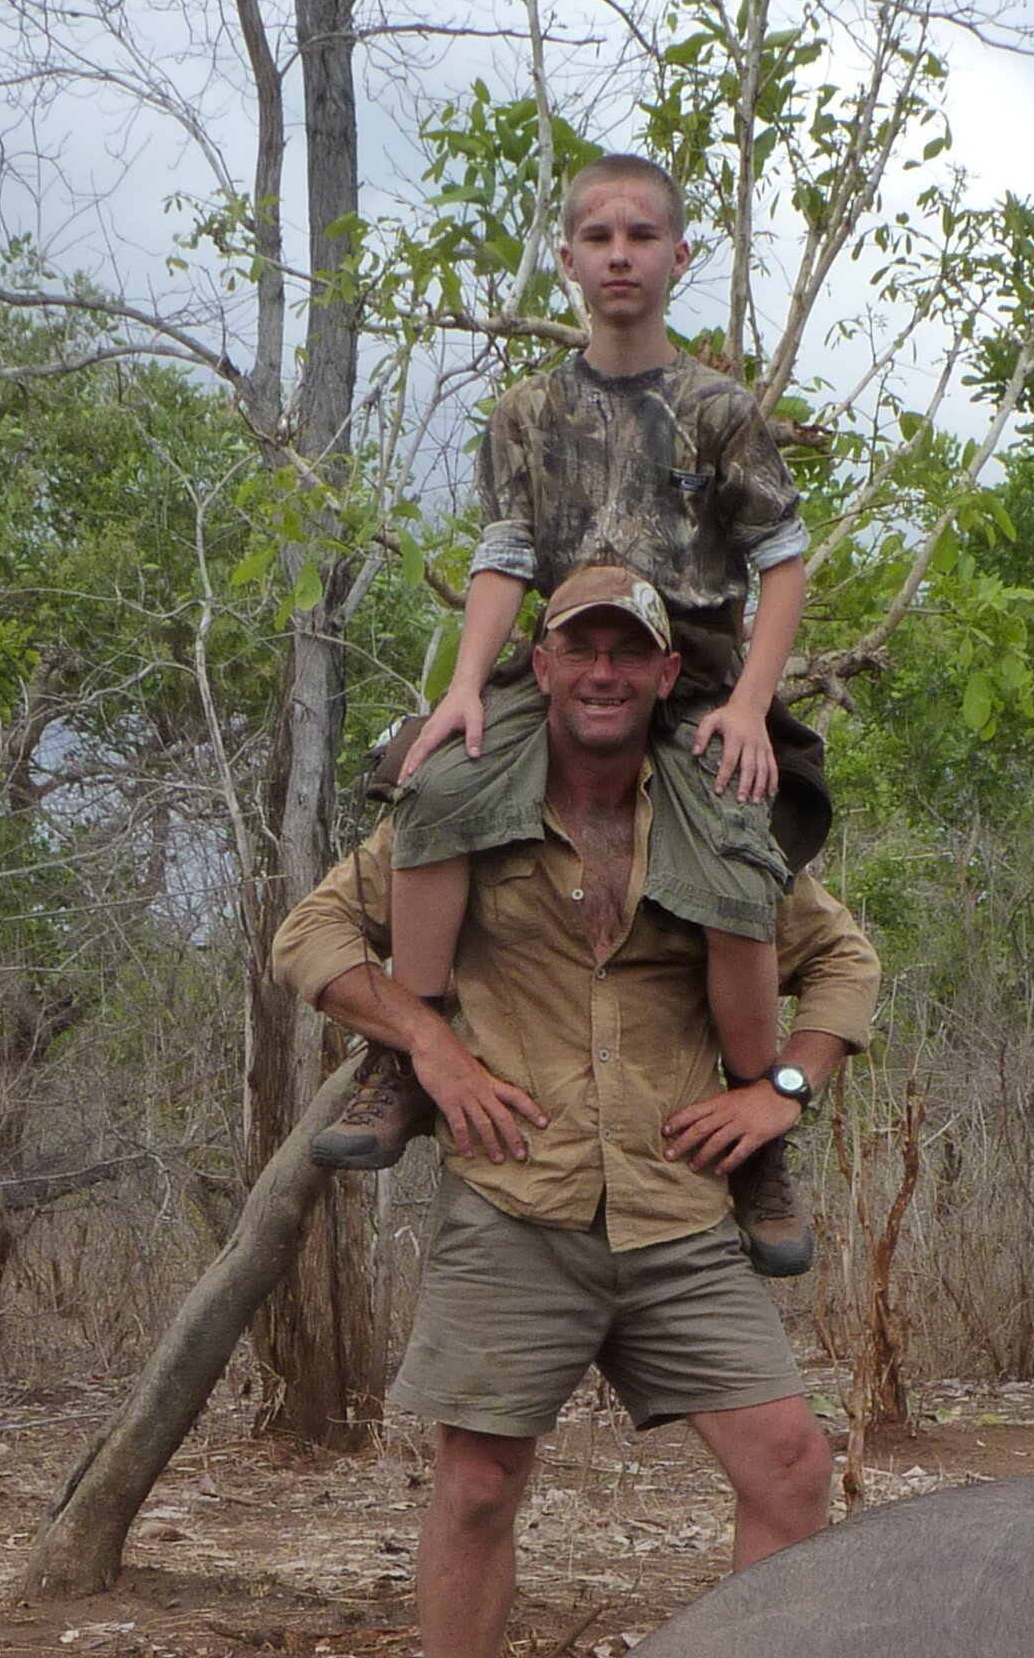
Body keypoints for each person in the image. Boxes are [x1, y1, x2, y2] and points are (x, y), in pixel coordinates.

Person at [271, 565, 881, 1658]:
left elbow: (843, 960)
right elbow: (314, 935)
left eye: (627, 653)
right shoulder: (459, 804)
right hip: (518, 1193)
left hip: (675, 1207)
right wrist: (430, 1048)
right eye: (577, 649)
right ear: (540, 666)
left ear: (664, 678)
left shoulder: (717, 811)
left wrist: (783, 1091)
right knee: (483, 1475)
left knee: (794, 1465)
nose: (601, 672)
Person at [311, 152, 827, 1274]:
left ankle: (757, 1138)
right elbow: (503, 554)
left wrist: (748, 704)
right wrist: (463, 688)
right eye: (599, 239)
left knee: (738, 850)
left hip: (680, 675)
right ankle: (407, 1055)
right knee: (438, 781)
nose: (620, 256)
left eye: (642, 237)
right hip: (567, 653)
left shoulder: (719, 410)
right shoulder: (525, 411)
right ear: (567, 260)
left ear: (679, 255)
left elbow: (782, 562)